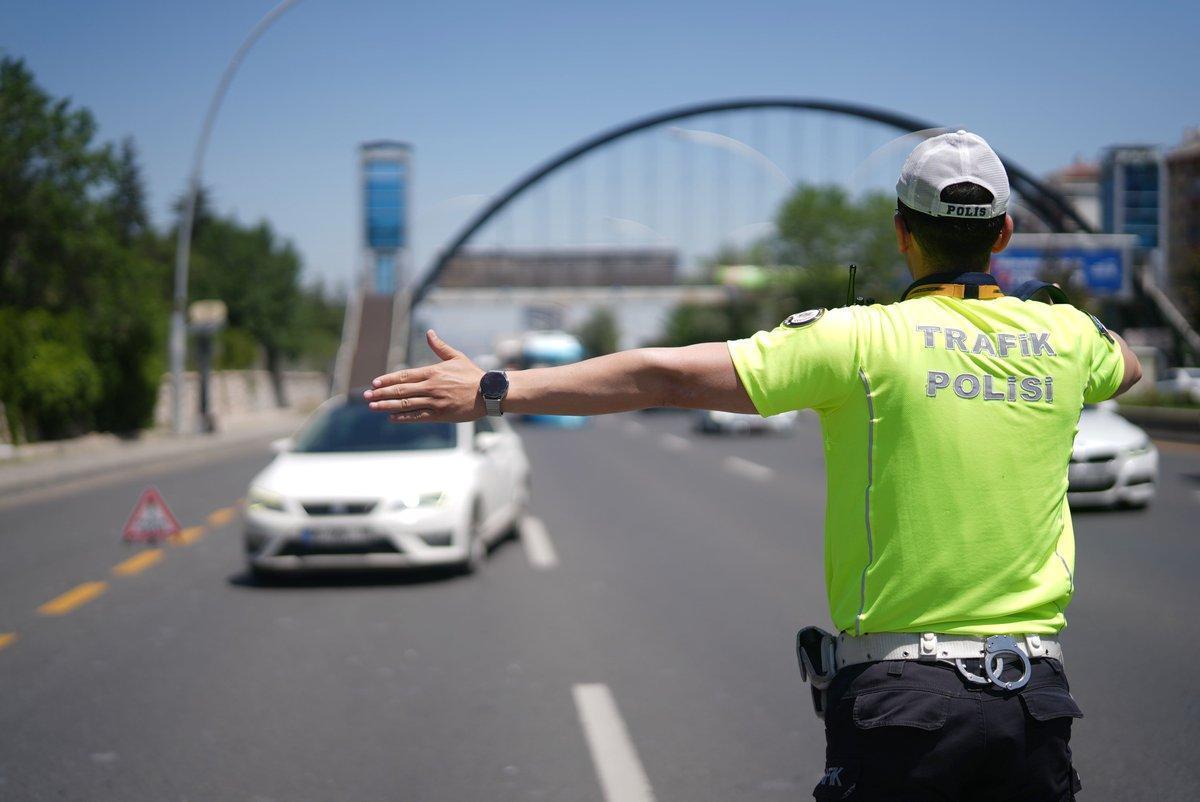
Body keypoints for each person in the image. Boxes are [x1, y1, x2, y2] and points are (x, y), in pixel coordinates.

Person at [364, 130, 1141, 800]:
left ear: (902, 233)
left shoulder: (859, 339)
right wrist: (1039, 320)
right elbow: (1129, 368)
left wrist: (497, 387)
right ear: (1004, 233)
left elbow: (662, 374)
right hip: (1036, 701)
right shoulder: (1068, 338)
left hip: (909, 701)